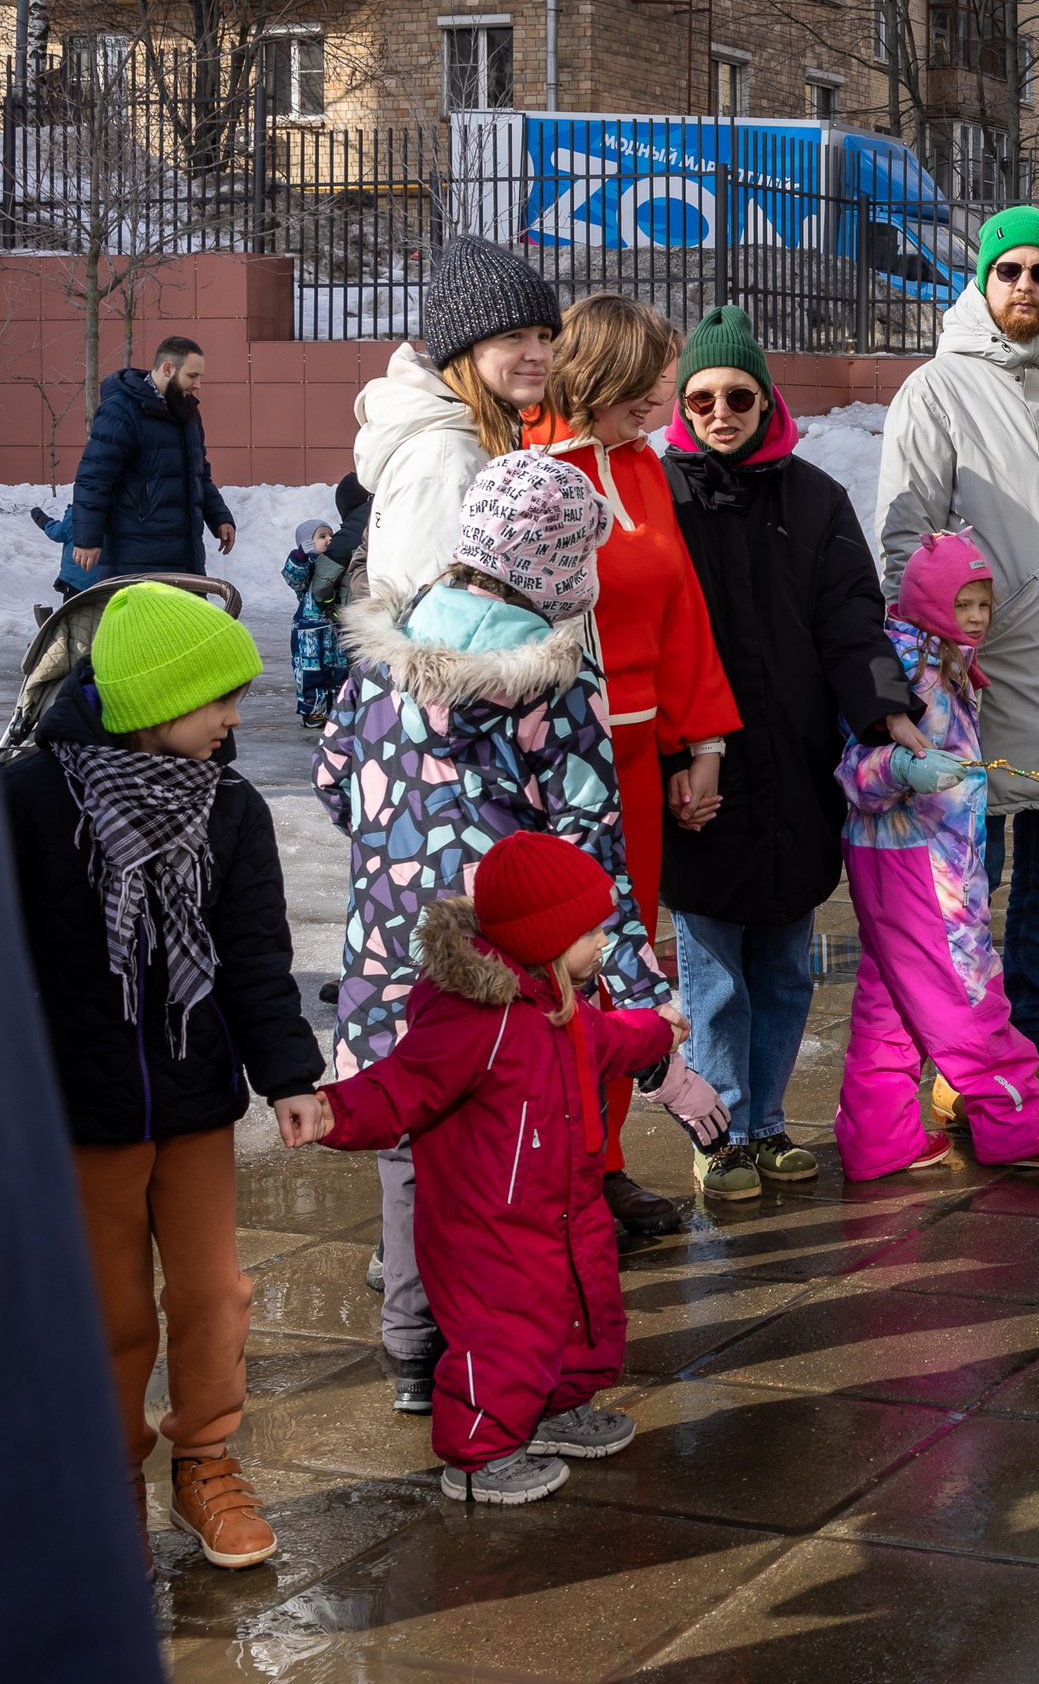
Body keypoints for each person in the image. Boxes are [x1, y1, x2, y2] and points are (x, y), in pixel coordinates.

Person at [315, 451, 669, 1412]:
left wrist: (404, 854)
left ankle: (410, 1352)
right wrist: (640, 998)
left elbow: (334, 782)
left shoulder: (384, 659)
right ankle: (493, 1363)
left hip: (390, 946)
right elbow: (591, 850)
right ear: (563, 566)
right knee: (501, 1168)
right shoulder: (554, 682)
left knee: (407, 1138)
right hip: (503, 968)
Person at [6, 584, 326, 1570]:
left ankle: (207, 1461)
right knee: (103, 1308)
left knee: (212, 1292)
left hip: (192, 1099)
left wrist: (289, 1076)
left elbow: (255, 955)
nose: (237, 716)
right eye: (218, 698)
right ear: (151, 698)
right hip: (79, 1107)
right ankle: (108, 1481)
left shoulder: (229, 806)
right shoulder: (28, 797)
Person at [301, 833, 680, 1505]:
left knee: (585, 1310)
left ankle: (557, 1412)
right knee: (501, 1337)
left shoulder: (560, 1007)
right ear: (543, 938)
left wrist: (660, 1029)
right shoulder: (474, 1019)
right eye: (591, 932)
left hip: (566, 1203)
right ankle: (479, 1455)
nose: (604, 944)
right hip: (489, 1222)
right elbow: (400, 1087)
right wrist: (331, 1113)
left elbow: (613, 1041)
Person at [875, 205, 1039, 1126]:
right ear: (982, 283)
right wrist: (947, 653)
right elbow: (906, 542)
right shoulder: (936, 390)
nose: (1025, 286)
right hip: (977, 683)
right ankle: (961, 1059)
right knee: (966, 888)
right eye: (1009, 270)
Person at [660, 308, 925, 1200]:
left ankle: (766, 1122)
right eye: (701, 398)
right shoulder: (656, 496)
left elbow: (853, 620)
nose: (720, 414)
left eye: (738, 395)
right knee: (713, 975)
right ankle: (718, 1128)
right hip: (702, 779)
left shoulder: (815, 498)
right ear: (682, 404)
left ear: (765, 399)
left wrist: (889, 710)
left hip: (797, 776)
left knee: (782, 967)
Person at [526, 293, 743, 1232]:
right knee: (560, 968)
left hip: (640, 760)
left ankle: (603, 1160)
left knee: (623, 969)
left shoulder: (642, 467)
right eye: (650, 376)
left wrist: (703, 747)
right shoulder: (532, 469)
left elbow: (681, 608)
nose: (665, 395)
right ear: (599, 374)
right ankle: (557, 1163)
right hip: (559, 757)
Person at [835, 530, 1039, 1176]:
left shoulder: (937, 661)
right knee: (968, 995)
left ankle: (879, 1136)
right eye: (964, 604)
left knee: (888, 1002)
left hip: (905, 860)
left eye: (983, 604)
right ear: (927, 601)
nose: (977, 618)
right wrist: (903, 767)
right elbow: (855, 769)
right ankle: (1018, 1126)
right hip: (923, 870)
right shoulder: (913, 673)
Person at [352, 236, 560, 601]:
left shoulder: (471, 438)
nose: (538, 354)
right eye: (514, 336)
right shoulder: (446, 458)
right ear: (464, 349)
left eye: (544, 336)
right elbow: (438, 625)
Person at [65, 336, 235, 590]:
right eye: (192, 375)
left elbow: (198, 475)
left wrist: (219, 517)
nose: (198, 384)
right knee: (144, 630)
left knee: (188, 629)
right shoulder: (121, 410)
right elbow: (95, 477)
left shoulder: (187, 412)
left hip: (185, 558)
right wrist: (87, 539)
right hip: (134, 560)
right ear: (168, 368)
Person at [282, 518, 351, 726]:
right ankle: (313, 711)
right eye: (322, 537)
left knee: (340, 671)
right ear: (307, 542)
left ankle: (341, 710)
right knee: (312, 673)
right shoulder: (306, 565)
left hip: (336, 630)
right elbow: (293, 578)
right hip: (310, 634)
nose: (329, 540)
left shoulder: (336, 564)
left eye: (331, 535)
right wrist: (301, 556)